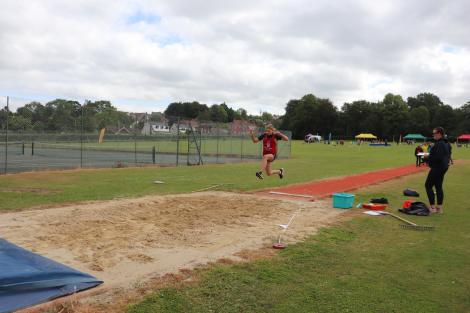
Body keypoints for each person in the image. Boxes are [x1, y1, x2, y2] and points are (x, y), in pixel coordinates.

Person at [424, 127, 451, 214]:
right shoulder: (446, 143)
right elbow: (448, 154)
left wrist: (428, 157)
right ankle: (439, 208)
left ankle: (432, 207)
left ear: (439, 133)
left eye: (434, 133)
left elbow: (437, 157)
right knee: (438, 186)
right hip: (444, 167)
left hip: (437, 167)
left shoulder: (440, 143)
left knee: (428, 185)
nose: (433, 135)